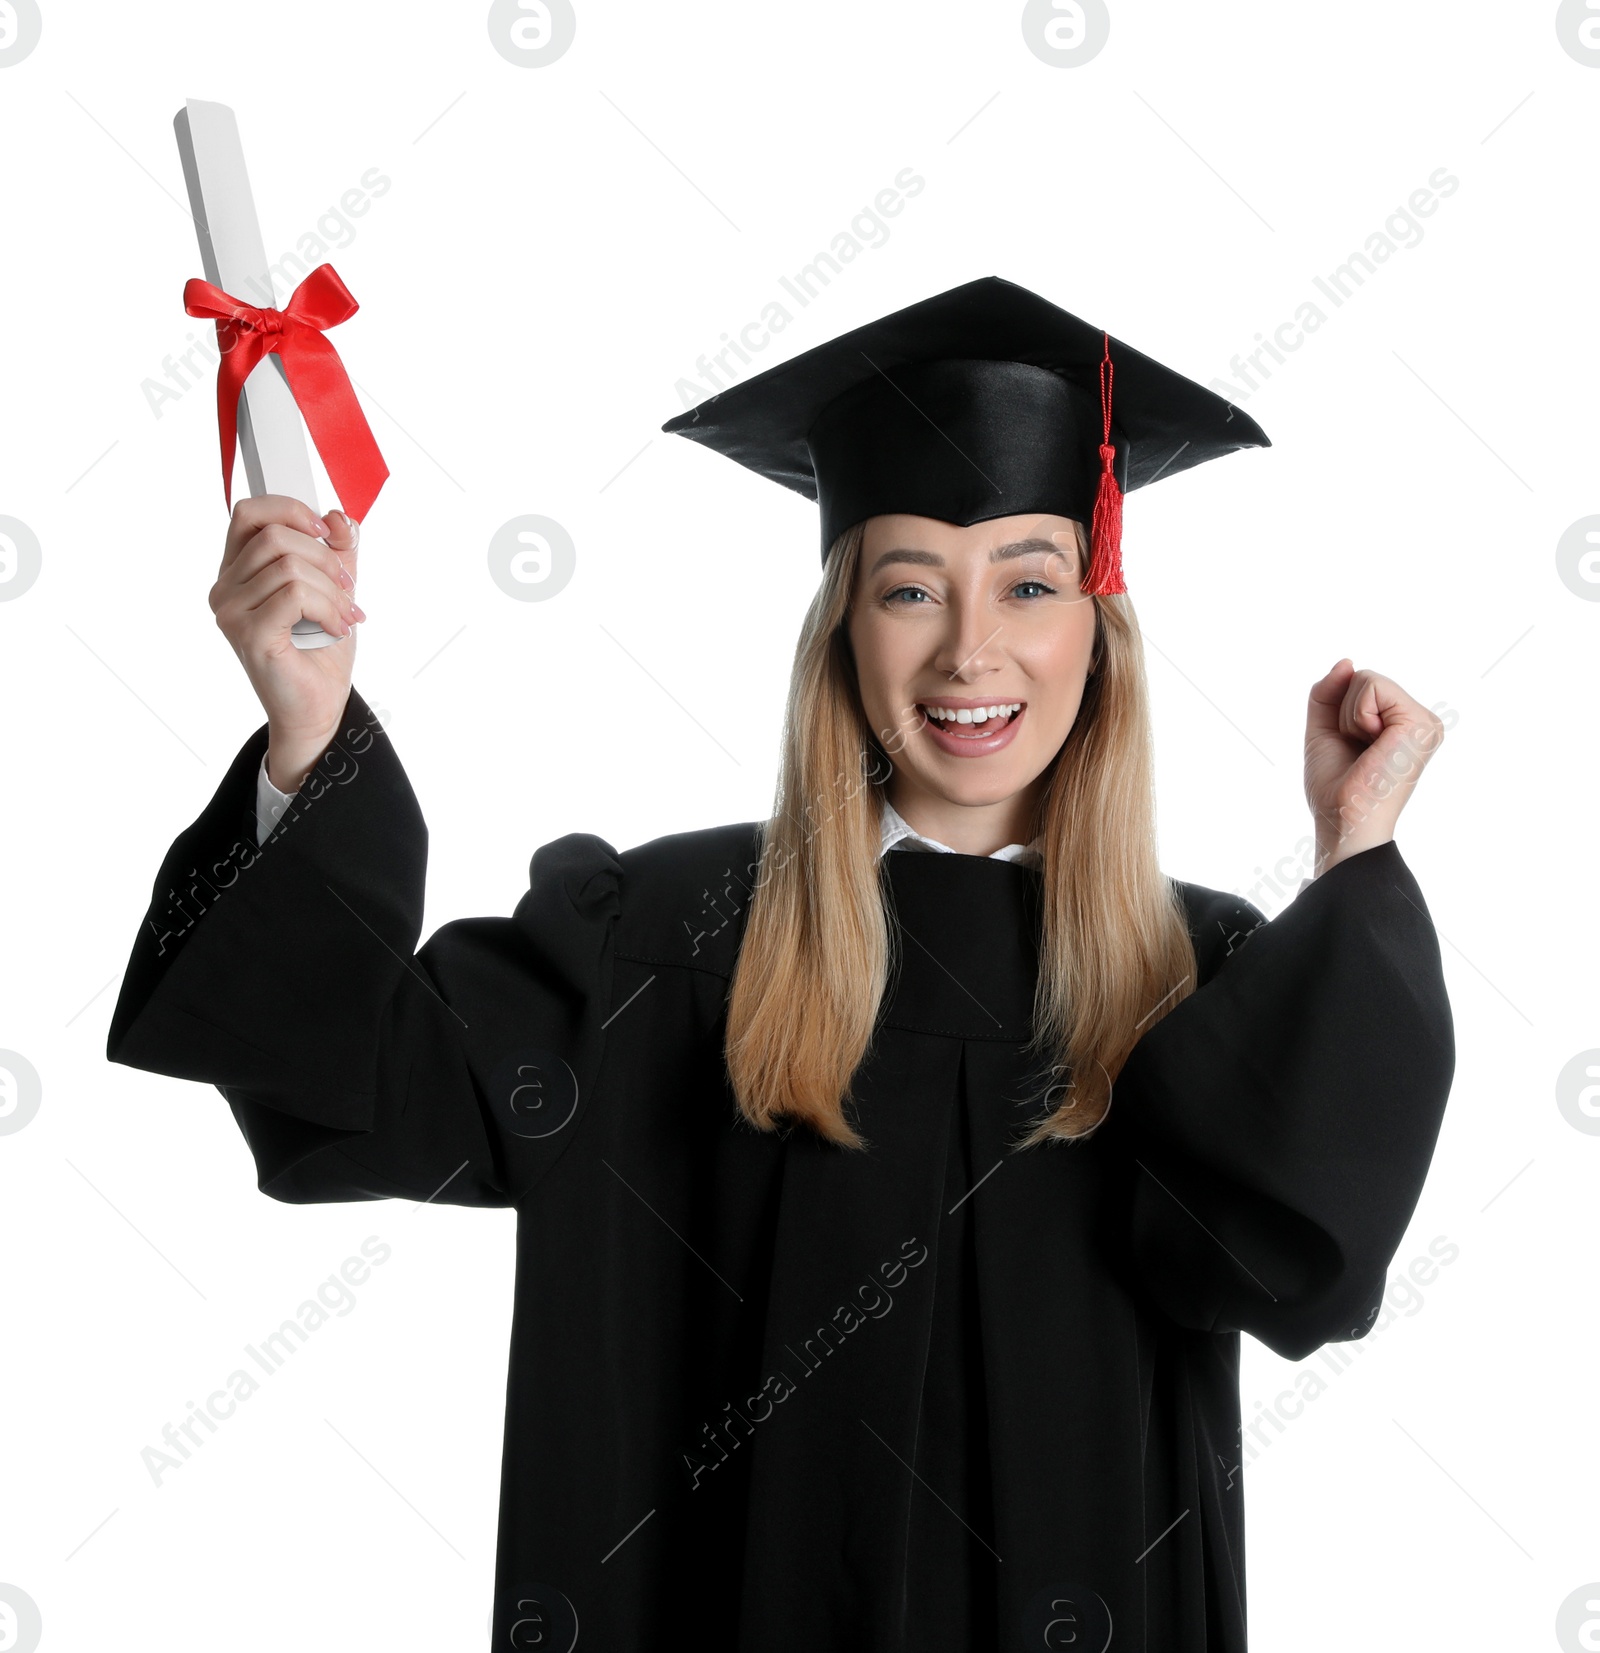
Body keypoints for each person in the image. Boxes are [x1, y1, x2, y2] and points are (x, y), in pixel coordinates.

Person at [106, 276, 1455, 1651]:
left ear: (1096, 631)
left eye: (1031, 583)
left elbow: (1305, 1261)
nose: (970, 648)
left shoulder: (1195, 975)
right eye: (910, 585)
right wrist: (305, 734)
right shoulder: (665, 940)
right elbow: (358, 1089)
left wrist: (1355, 853)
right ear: (844, 630)